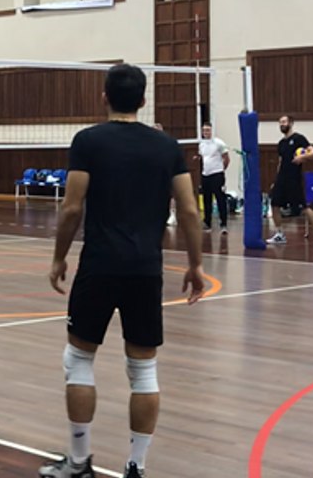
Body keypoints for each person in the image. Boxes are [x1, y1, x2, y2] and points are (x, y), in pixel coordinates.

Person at [41, 64, 205, 478]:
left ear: (104, 97)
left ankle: (79, 463)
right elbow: (187, 209)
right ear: (144, 100)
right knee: (143, 369)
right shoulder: (167, 147)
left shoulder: (89, 141)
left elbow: (73, 207)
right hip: (145, 269)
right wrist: (196, 264)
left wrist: (59, 257)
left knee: (78, 360)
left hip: (99, 265)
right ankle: (136, 467)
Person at [268, 115, 313, 246]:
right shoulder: (281, 144)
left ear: (291, 123)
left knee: (304, 208)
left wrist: (302, 157)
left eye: (284, 122)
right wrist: (276, 180)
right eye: (280, 122)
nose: (282, 124)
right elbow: (280, 162)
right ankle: (279, 234)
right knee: (274, 204)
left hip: (294, 179)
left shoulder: (299, 139)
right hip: (281, 179)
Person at [196, 122, 230, 234]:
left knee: (220, 199)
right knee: (207, 200)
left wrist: (221, 170)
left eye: (208, 130)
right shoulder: (202, 144)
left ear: (211, 130)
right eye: (204, 130)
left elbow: (226, 158)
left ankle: (223, 224)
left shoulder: (219, 143)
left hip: (217, 174)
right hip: (206, 175)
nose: (206, 132)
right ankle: (207, 223)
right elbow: (203, 157)